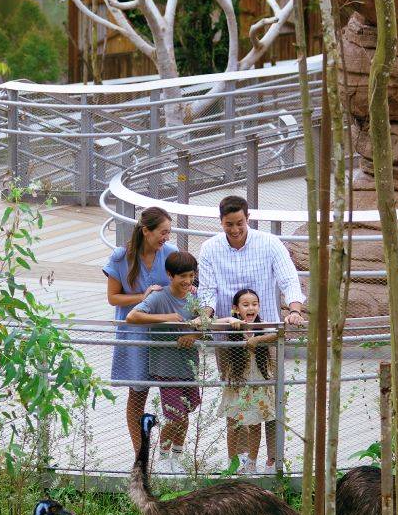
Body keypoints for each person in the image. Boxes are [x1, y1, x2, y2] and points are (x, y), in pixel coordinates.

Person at [196, 194, 305, 466]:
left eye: (239, 223)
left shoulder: (269, 243)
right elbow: (208, 291)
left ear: (248, 219)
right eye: (228, 224)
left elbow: (288, 278)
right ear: (221, 222)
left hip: (265, 334)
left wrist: (294, 310)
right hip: (229, 338)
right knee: (236, 395)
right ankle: (242, 460)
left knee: (269, 395)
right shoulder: (210, 249)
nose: (234, 230)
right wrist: (206, 317)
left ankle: (272, 459)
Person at [104, 206, 174, 454]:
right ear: (146, 231)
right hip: (134, 334)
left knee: (174, 396)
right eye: (162, 232)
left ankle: (168, 453)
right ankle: (140, 454)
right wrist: (140, 296)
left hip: (164, 333)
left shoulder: (171, 254)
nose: (166, 238)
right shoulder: (121, 257)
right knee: (137, 394)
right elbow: (113, 298)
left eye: (169, 232)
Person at [127, 251, 202, 470]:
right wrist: (166, 318)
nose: (187, 281)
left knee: (185, 413)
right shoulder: (159, 297)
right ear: (170, 275)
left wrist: (193, 335)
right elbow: (133, 317)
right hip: (166, 367)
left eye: (191, 276)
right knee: (174, 415)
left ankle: (177, 459)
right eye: (182, 276)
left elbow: (206, 325)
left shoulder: (194, 297)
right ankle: (162, 459)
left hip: (189, 366)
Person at [212, 288, 278, 476]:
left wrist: (258, 339)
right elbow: (209, 325)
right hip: (237, 384)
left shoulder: (262, 326)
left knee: (255, 424)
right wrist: (229, 320)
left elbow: (280, 333)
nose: (251, 308)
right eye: (246, 304)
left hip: (258, 383)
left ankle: (251, 462)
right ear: (236, 308)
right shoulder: (232, 327)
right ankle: (232, 462)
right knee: (234, 424)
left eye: (254, 304)